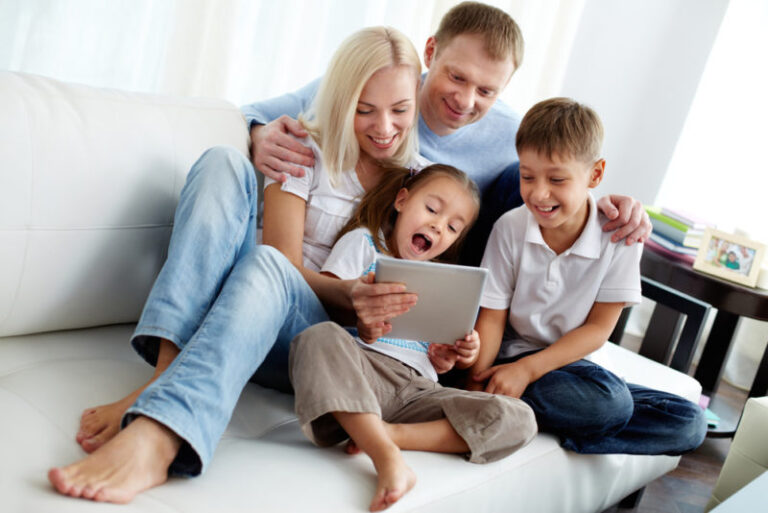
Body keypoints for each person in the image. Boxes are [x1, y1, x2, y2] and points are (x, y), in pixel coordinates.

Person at [50, 26, 431, 503]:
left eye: (400, 110)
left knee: (266, 266)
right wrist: (349, 290)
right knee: (221, 164)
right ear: (339, 101)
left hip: (311, 343)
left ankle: (161, 434)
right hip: (248, 305)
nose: (384, 128)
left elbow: (299, 278)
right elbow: (285, 263)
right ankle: (164, 376)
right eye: (364, 110)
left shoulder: (419, 183)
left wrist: (371, 304)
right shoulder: (303, 149)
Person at [245, 1, 652, 267]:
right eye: (457, 76)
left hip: (450, 257)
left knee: (517, 176)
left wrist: (611, 208)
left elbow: (561, 180)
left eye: (487, 91)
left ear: (504, 89)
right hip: (364, 250)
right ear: (430, 52)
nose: (465, 99)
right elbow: (251, 113)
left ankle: (483, 334)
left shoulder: (513, 132)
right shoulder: (372, 87)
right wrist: (261, 134)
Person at [290, 165, 536, 511]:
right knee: (317, 337)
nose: (438, 226)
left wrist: (457, 354)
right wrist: (362, 323)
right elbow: (324, 303)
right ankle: (385, 454)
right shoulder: (363, 243)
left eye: (452, 227)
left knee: (520, 418)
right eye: (432, 210)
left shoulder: (445, 280)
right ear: (402, 200)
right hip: (362, 374)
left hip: (418, 390)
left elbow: (445, 356)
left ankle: (389, 434)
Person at [468, 97, 707, 455]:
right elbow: (492, 317)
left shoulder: (619, 236)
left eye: (557, 179)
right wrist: (473, 383)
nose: (538, 193)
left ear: (594, 174)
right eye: (527, 176)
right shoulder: (510, 228)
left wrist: (529, 372)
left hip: (575, 368)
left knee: (689, 422)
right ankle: (559, 414)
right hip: (512, 358)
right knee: (611, 405)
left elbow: (598, 329)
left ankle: (541, 420)